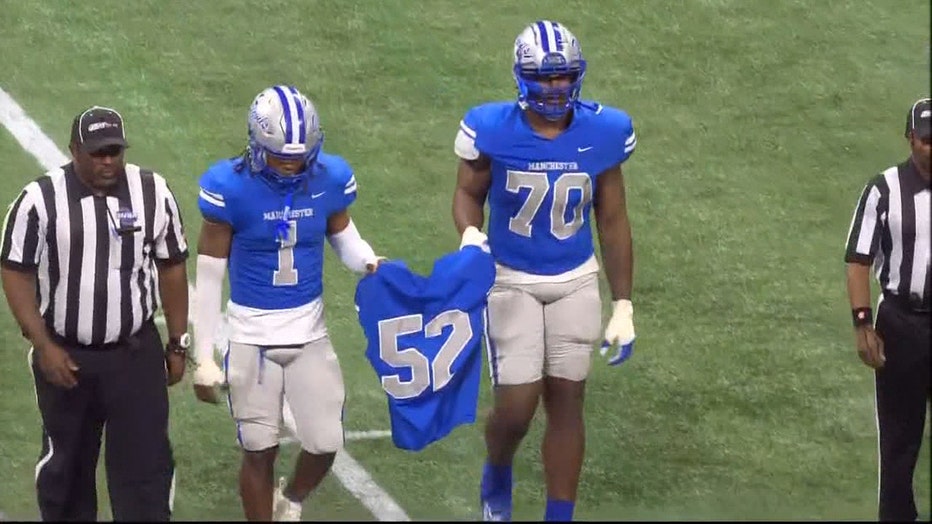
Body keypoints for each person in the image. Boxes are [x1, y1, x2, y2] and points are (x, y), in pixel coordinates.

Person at [451, 20, 638, 522]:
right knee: (515, 407)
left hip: (575, 277)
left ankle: (559, 515)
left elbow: (612, 217)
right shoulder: (493, 128)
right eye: (545, 77)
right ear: (521, 76)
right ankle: (497, 471)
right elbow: (468, 193)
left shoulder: (604, 131)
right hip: (509, 276)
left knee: (567, 401)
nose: (556, 87)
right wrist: (470, 235)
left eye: (564, 77)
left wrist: (624, 302)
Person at [190, 85, 384, 522]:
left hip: (309, 332)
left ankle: (291, 500)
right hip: (252, 337)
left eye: (299, 156)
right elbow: (209, 277)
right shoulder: (230, 188)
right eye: (280, 156)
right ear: (256, 145)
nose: (291, 165)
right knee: (260, 449)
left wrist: (370, 262)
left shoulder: (329, 178)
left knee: (326, 440)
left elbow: (343, 235)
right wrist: (203, 356)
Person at [0, 106, 190, 521]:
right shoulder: (39, 200)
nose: (107, 161)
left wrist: (178, 342)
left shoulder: (152, 192)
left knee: (146, 468)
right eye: (97, 153)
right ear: (74, 151)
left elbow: (172, 265)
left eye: (114, 152)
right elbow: (15, 272)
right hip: (67, 357)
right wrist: (42, 344)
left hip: (134, 353)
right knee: (66, 468)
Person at [844, 97, 931, 522]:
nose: (931, 148)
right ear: (910, 138)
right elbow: (859, 258)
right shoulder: (884, 190)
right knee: (899, 441)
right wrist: (862, 323)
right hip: (902, 323)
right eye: (926, 139)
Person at [355, 228, 496, 452]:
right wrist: (474, 250)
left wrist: (368, 264)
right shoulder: (477, 279)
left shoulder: (373, 294)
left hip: (406, 393)